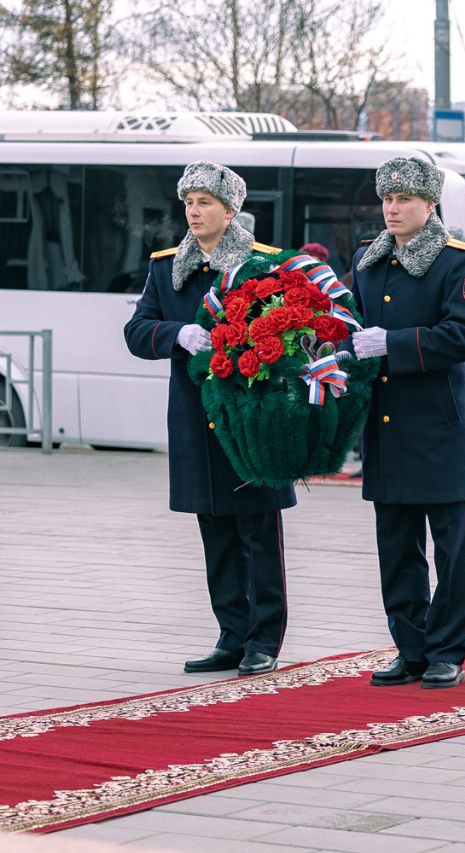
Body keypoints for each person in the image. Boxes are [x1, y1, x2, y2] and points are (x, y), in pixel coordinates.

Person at [123, 161, 291, 677]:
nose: (194, 213)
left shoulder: (263, 265)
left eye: (205, 203)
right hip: (196, 419)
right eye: (189, 203)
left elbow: (291, 335)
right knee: (215, 530)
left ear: (230, 210)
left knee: (257, 531)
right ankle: (231, 635)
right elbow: (136, 331)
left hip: (249, 418)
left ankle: (264, 639)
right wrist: (176, 333)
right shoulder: (166, 267)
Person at [349, 156, 465, 689]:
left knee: (451, 552)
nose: (392, 208)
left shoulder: (459, 263)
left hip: (439, 427)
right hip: (386, 425)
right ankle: (409, 647)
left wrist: (392, 343)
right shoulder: (368, 260)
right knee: (397, 547)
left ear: (430, 204)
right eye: (387, 198)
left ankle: (447, 650)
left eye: (404, 199)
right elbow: (350, 326)